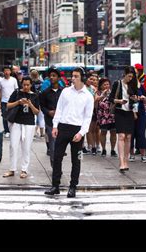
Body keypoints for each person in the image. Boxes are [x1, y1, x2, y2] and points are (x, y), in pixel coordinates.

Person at [45, 67, 94, 198]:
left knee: (76, 160)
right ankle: (55, 186)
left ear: (82, 78)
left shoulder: (88, 96)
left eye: (76, 76)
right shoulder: (66, 92)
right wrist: (55, 126)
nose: (73, 78)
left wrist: (82, 133)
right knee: (57, 158)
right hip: (62, 127)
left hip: (77, 130)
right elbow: (59, 109)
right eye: (72, 76)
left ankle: (73, 187)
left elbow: (87, 117)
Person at [3, 77, 40, 179]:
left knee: (26, 147)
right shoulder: (17, 93)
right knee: (13, 145)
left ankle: (24, 169)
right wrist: (18, 102)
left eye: (28, 85)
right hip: (16, 122)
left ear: (31, 85)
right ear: (21, 84)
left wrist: (30, 104)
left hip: (29, 123)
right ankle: (12, 169)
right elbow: (8, 105)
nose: (26, 87)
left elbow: (37, 112)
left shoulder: (35, 95)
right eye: (24, 85)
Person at [109, 66, 139, 173]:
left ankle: (126, 160)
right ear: (124, 74)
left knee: (129, 137)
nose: (130, 78)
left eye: (132, 77)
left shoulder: (133, 85)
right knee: (121, 136)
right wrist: (119, 101)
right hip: (120, 111)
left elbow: (136, 98)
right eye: (129, 76)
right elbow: (110, 98)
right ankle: (121, 161)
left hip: (129, 112)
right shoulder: (117, 84)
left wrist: (135, 99)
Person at [39, 67, 64, 166]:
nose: (52, 78)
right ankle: (54, 164)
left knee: (61, 143)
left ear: (59, 78)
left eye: (54, 76)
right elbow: (42, 106)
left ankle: (59, 161)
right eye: (50, 76)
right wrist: (48, 112)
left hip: (62, 121)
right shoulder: (45, 92)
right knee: (52, 142)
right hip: (50, 121)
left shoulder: (63, 91)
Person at [95, 78, 117, 157]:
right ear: (101, 86)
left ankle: (113, 150)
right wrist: (102, 95)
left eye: (108, 84)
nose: (106, 86)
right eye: (104, 84)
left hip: (112, 115)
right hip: (103, 116)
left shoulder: (113, 92)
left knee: (113, 132)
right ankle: (103, 149)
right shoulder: (98, 92)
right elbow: (95, 100)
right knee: (103, 132)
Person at [130, 80, 146, 163]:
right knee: (131, 134)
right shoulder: (127, 87)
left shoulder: (141, 87)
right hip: (130, 112)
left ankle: (143, 155)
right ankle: (131, 154)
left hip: (141, 112)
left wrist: (144, 99)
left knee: (141, 133)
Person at [0, 66, 19, 138]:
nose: (6, 72)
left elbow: (17, 90)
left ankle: (12, 130)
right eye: (5, 71)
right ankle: (6, 131)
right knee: (4, 116)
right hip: (4, 101)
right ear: (3, 72)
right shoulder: (1, 81)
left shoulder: (14, 80)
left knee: (13, 115)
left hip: (13, 101)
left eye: (8, 70)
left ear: (10, 72)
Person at [30, 69, 45, 138]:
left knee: (34, 117)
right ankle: (42, 133)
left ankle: (33, 133)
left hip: (33, 101)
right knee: (41, 118)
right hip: (41, 101)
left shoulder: (31, 83)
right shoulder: (42, 83)